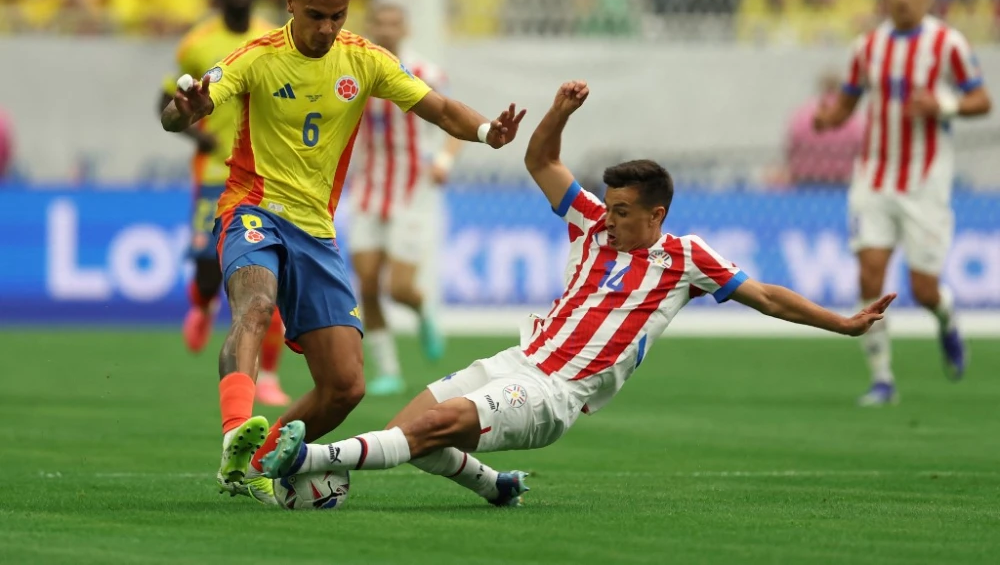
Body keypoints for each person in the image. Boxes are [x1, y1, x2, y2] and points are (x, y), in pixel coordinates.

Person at [258, 81, 896, 507]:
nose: (608, 218)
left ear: (656, 214)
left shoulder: (686, 259)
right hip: (518, 361)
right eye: (608, 206)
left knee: (430, 429)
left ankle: (307, 458)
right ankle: (495, 487)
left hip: (555, 394)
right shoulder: (590, 222)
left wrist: (840, 323)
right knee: (410, 434)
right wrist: (560, 112)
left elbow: (768, 296)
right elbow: (540, 161)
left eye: (623, 211)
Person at [160, 0, 525, 505]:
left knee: (345, 386)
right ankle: (236, 433)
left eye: (338, 16)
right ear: (290, 3)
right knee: (256, 305)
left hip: (317, 229)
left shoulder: (365, 60)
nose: (327, 29)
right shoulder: (256, 56)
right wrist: (185, 110)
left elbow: (440, 109)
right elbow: (177, 114)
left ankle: (252, 466)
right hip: (253, 208)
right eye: (316, 15)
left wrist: (486, 132)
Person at [815, 0, 991, 406]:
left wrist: (943, 105)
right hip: (873, 178)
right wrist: (827, 118)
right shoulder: (867, 46)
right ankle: (882, 379)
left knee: (923, 289)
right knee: (869, 272)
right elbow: (847, 103)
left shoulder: (948, 43)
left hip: (925, 183)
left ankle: (947, 319)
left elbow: (981, 99)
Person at [159, 0, 291, 407]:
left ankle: (268, 374)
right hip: (215, 172)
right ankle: (201, 303)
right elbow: (166, 102)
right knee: (207, 269)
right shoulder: (198, 43)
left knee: (267, 277)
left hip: (263, 176)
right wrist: (196, 136)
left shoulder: (273, 38)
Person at [348, 1, 461, 397]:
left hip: (412, 192)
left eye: (394, 22)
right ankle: (388, 370)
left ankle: (422, 309)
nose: (387, 28)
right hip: (368, 189)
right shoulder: (355, 70)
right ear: (370, 25)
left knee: (397, 288)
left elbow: (454, 121)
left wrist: (444, 161)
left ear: (406, 28)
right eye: (380, 21)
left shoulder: (427, 73)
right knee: (366, 284)